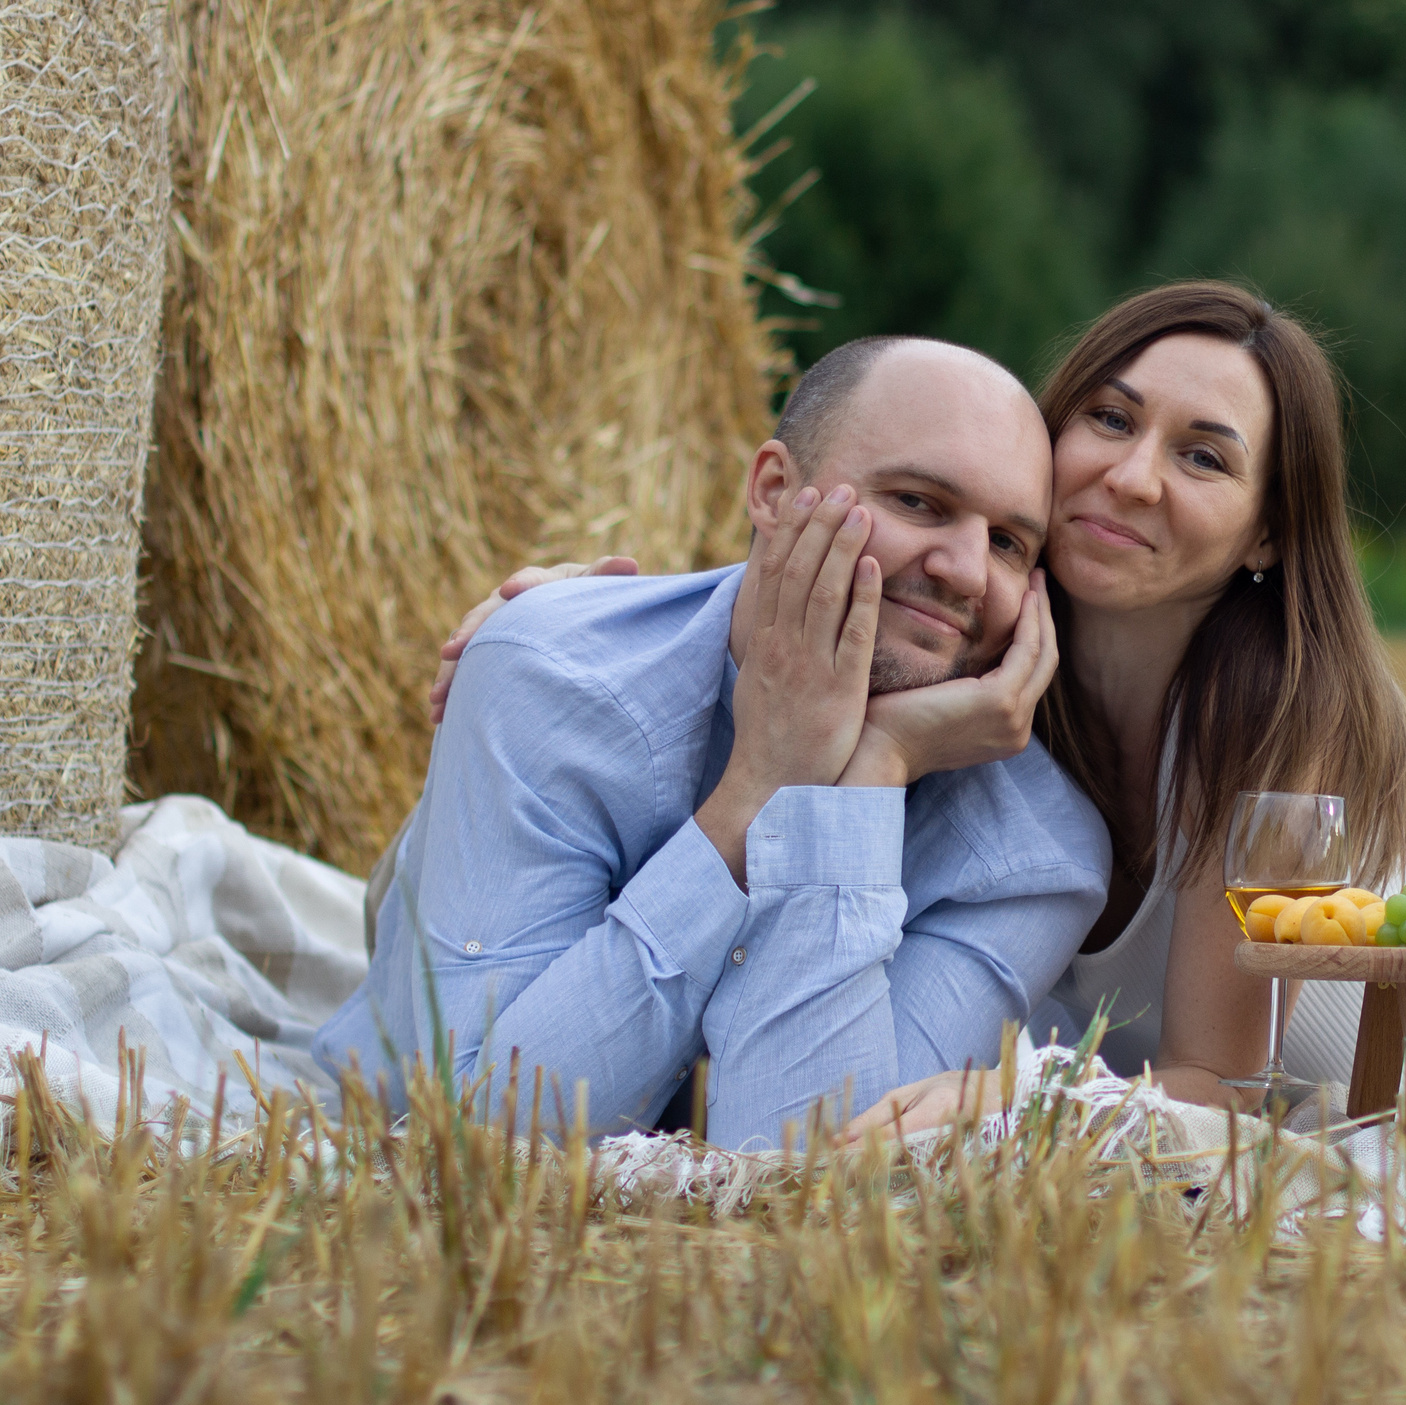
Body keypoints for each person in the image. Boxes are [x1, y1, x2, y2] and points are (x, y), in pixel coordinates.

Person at [430, 282, 1406, 1136]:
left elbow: (1217, 1083)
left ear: (1270, 532)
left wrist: (1014, 1098)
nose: (1132, 477)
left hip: (1352, 1034)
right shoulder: (966, 641)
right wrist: (577, 620)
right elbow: (815, 573)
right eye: (1109, 418)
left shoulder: (1272, 716)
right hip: (1065, 1028)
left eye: (1202, 456)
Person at [322, 337, 1109, 1149]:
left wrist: (871, 771)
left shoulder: (1035, 859)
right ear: (773, 490)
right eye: (918, 501)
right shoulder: (553, 672)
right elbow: (482, 1136)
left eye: (1010, 543)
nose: (968, 571)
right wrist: (757, 789)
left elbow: (806, 1168)